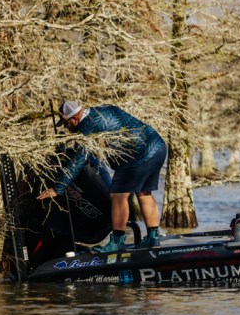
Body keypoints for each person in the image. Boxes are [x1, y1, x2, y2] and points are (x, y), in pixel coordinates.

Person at [38, 101, 167, 251]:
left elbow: (78, 161)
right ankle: (153, 238)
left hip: (137, 155)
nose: (66, 127)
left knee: (118, 195)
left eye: (66, 123)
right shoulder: (102, 110)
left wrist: (57, 189)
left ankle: (117, 242)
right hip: (157, 146)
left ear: (74, 118)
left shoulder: (88, 127)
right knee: (144, 193)